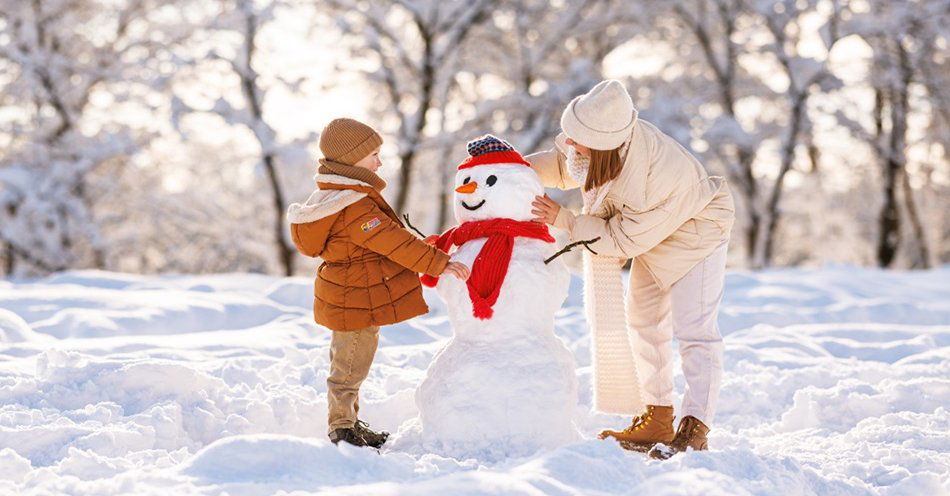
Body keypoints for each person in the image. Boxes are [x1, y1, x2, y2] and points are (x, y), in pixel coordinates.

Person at [527, 80, 735, 459]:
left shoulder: (645, 179)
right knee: (644, 322)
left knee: (694, 330)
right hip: (654, 232)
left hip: (698, 231)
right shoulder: (604, 143)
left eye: (576, 138)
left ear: (602, 143)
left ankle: (695, 426)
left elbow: (622, 241)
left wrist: (567, 220)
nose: (568, 143)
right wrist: (515, 168)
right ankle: (656, 416)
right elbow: (564, 165)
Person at [287, 118, 470, 448]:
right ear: (352, 159)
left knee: (349, 361)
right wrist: (439, 263)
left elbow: (385, 241)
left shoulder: (338, 197)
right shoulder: (353, 205)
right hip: (354, 297)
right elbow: (392, 242)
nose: (379, 161)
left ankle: (348, 422)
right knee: (350, 365)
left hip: (350, 292)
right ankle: (342, 428)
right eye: (373, 153)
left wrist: (427, 249)